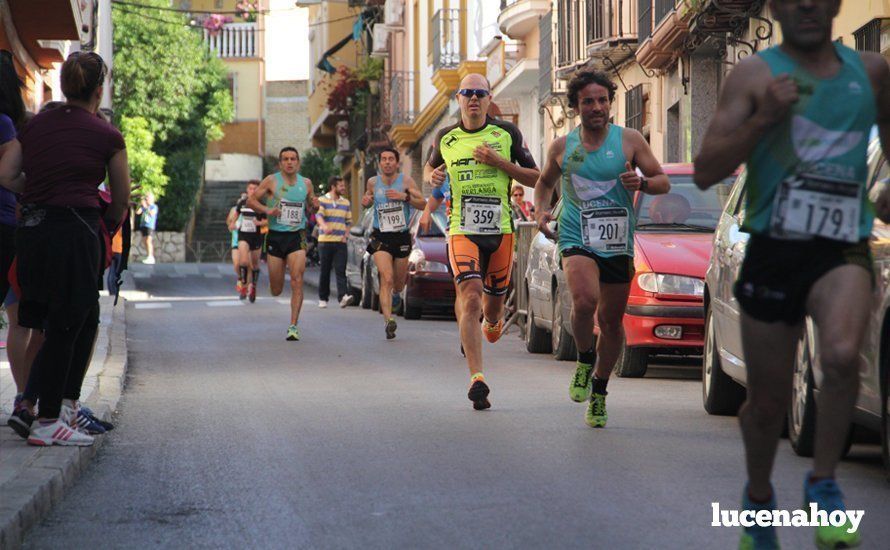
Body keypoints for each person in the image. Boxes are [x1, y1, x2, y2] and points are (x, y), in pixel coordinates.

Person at [693, 1, 890, 547]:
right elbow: (707, 168)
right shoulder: (755, 75)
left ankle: (824, 485)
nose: (806, 5)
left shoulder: (872, 74)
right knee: (768, 402)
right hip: (774, 247)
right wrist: (761, 120)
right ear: (775, 6)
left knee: (843, 356)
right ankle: (758, 499)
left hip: (841, 245)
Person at [0, 51, 130, 446]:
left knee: (52, 319)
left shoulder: (35, 126)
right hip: (76, 231)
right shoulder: (106, 134)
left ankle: (40, 406)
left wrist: (36, 193)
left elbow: (6, 174)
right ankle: (48, 421)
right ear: (99, 89)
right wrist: (104, 228)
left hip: (33, 232)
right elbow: (121, 196)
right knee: (68, 324)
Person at [534, 70, 670, 429]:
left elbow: (662, 182)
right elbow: (544, 182)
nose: (596, 107)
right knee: (583, 301)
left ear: (610, 102)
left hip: (617, 242)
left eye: (602, 100)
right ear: (577, 107)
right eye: (588, 101)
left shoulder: (630, 140)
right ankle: (583, 358)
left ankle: (599, 389)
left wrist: (640, 182)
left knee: (610, 321)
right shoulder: (562, 147)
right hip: (577, 234)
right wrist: (540, 209)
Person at [424, 73, 540, 410]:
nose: (473, 99)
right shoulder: (445, 138)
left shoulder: (507, 134)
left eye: (480, 93)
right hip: (462, 229)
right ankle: (477, 379)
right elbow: (430, 171)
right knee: (470, 297)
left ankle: (491, 322)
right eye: (467, 93)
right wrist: (432, 176)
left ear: (489, 99)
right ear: (458, 99)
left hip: (500, 231)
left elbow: (537, 176)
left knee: (491, 315)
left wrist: (499, 162)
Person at [247, 147, 318, 341]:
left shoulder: (306, 183)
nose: (289, 162)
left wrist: (315, 204)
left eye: (293, 159)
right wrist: (267, 211)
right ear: (280, 163)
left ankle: (293, 325)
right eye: (285, 159)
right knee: (276, 289)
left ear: (298, 162)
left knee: (297, 279)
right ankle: (274, 284)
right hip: (276, 237)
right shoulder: (271, 180)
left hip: (297, 236)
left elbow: (311, 205)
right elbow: (251, 201)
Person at [361, 147, 426, 338]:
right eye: (384, 159)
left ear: (397, 163)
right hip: (380, 235)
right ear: (379, 163)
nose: (387, 162)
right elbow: (367, 200)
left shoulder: (406, 181)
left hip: (401, 236)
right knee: (386, 278)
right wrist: (366, 200)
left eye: (391, 159)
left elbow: (423, 203)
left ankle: (396, 296)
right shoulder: (373, 182)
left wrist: (404, 197)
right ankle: (389, 320)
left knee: (398, 285)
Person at [316, 176, 352, 309]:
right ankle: (323, 298)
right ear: (333, 187)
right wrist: (324, 226)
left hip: (340, 242)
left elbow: (348, 222)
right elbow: (318, 215)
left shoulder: (346, 203)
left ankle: (343, 296)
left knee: (341, 270)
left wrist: (346, 235)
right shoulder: (322, 200)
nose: (343, 188)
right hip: (325, 241)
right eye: (341, 186)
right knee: (324, 270)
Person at [233, 180, 266, 302]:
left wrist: (260, 222)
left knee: (255, 264)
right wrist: (232, 223)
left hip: (256, 237)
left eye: (255, 189)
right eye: (250, 188)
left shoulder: (262, 204)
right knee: (243, 261)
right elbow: (235, 215)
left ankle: (253, 287)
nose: (252, 191)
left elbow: (268, 221)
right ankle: (244, 284)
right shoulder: (242, 203)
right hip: (243, 235)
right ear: (247, 190)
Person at [226, 193, 245, 294]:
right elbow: (229, 223)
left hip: (248, 240)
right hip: (236, 240)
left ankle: (248, 284)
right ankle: (240, 277)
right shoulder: (234, 210)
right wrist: (232, 225)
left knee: (247, 263)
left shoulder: (251, 210)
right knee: (237, 263)